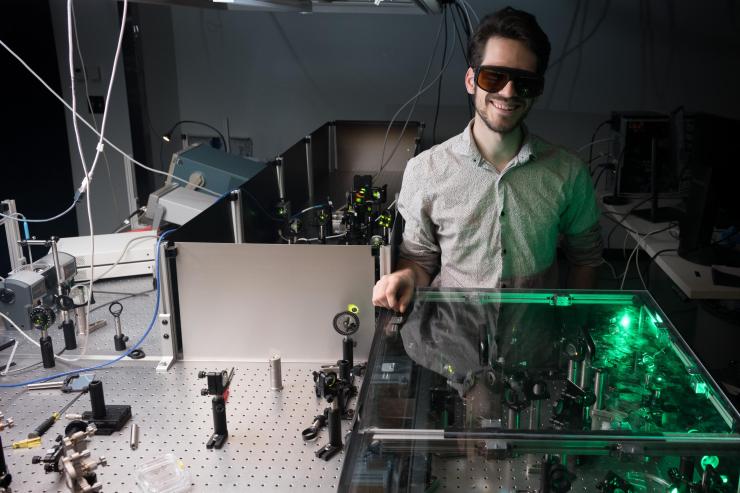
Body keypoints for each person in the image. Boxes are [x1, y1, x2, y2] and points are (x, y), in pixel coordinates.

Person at [373, 6, 603, 313]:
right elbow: (419, 260)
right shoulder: (426, 169)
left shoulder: (568, 171)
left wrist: (572, 324)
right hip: (452, 345)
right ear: (471, 80)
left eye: (524, 82)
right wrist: (403, 276)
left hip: (533, 347)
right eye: (494, 77)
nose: (508, 92)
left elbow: (585, 259)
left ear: (538, 90)